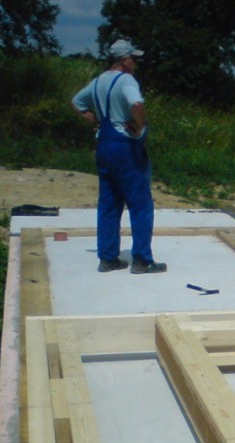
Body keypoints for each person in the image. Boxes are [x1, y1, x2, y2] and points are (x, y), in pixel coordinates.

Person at [71, 38, 167, 274]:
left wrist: (96, 120)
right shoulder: (126, 80)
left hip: (104, 145)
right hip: (126, 148)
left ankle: (107, 258)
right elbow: (137, 104)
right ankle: (142, 261)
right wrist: (139, 126)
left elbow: (77, 102)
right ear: (124, 60)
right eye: (133, 59)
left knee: (109, 204)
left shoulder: (98, 82)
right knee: (140, 204)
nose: (135, 63)